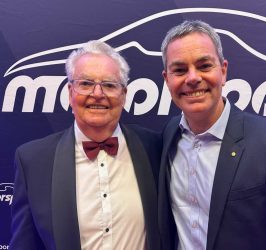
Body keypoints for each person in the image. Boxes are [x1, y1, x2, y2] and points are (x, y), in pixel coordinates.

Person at [158, 20, 266, 250]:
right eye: (180, 70)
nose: (192, 78)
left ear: (223, 71)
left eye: (204, 65)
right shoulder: (168, 136)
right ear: (167, 79)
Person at [10, 40, 161, 250]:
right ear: (71, 92)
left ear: (124, 95)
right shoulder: (33, 160)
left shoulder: (155, 147)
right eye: (86, 84)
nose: (97, 94)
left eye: (109, 85)